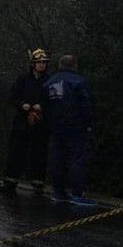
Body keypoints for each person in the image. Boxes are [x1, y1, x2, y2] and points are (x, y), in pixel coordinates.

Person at [43, 54, 97, 206]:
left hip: (56, 127)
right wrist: (89, 122)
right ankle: (77, 193)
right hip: (76, 127)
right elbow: (86, 105)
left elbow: (45, 107)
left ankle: (58, 192)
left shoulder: (49, 83)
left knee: (58, 159)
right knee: (76, 159)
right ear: (74, 65)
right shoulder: (79, 82)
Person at [0, 48, 51, 193]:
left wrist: (42, 106)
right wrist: (22, 105)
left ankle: (38, 183)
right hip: (21, 122)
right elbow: (12, 97)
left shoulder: (49, 81)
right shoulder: (23, 79)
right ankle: (10, 181)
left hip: (40, 123)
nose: (42, 65)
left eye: (44, 63)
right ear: (33, 64)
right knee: (16, 151)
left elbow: (52, 100)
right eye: (39, 62)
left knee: (39, 153)